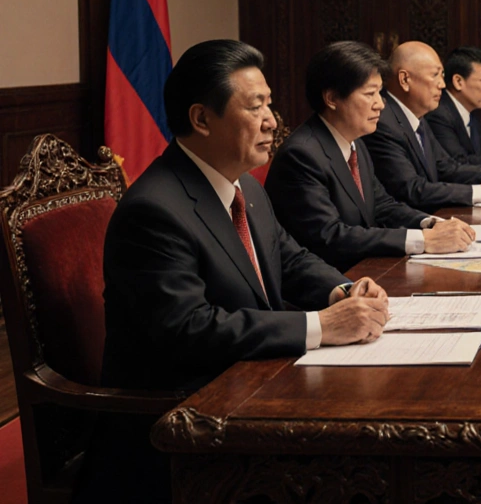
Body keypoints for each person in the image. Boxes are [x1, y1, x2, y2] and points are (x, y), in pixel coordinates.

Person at [88, 40, 389, 503]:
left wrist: (342, 289)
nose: (273, 120)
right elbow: (188, 329)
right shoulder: (154, 211)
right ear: (201, 119)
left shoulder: (244, 182)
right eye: (256, 106)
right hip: (181, 427)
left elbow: (287, 257)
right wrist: (319, 326)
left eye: (269, 103)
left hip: (249, 386)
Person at [265, 41, 478, 272]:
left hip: (367, 268)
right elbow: (332, 236)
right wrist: (423, 241)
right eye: (370, 94)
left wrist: (432, 224)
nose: (380, 104)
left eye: (379, 92)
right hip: (333, 281)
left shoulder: (355, 141)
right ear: (332, 99)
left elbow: (382, 205)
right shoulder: (302, 155)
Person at [364, 41, 481, 210]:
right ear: (405, 79)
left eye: (442, 75)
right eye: (435, 75)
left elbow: (446, 167)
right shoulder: (382, 122)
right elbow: (411, 189)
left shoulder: (417, 117)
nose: (442, 85)